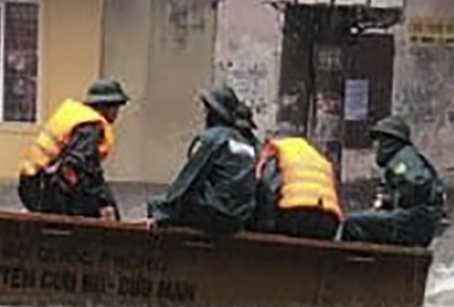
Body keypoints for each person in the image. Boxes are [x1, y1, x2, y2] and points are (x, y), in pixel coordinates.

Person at [148, 84, 258, 235]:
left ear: (212, 112)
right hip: (240, 217)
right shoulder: (249, 144)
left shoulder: (212, 138)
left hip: (216, 213)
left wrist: (160, 211)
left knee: (160, 204)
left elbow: (188, 179)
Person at [17, 78, 130, 220]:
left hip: (32, 183)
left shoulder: (79, 116)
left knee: (102, 199)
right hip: (44, 189)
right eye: (116, 108)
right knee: (100, 208)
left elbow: (91, 170)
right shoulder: (90, 126)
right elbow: (73, 167)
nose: (117, 113)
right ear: (105, 107)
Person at [339, 115, 444, 247]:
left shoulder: (404, 158)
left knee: (353, 224)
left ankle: (347, 265)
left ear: (388, 140)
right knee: (366, 223)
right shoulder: (397, 160)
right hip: (416, 218)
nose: (374, 145)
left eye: (377, 140)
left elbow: (419, 183)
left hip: (414, 219)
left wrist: (395, 203)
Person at [252, 124, 344, 241]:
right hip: (328, 222)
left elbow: (268, 190)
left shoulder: (277, 149)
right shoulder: (317, 156)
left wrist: (263, 227)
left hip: (295, 218)